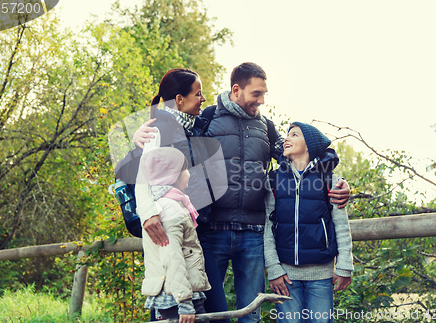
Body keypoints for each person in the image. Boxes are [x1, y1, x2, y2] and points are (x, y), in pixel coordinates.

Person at [133, 62, 351, 323]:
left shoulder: (266, 128)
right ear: (237, 90)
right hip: (212, 231)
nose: (261, 101)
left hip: (254, 233)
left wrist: (333, 176)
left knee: (251, 314)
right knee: (213, 314)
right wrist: (140, 138)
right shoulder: (206, 119)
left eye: (263, 94)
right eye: (256, 94)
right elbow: (162, 150)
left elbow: (305, 152)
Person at [114, 68, 229, 323]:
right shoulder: (159, 130)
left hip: (194, 229)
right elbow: (143, 173)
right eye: (198, 94)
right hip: (165, 229)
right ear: (179, 99)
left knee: (208, 312)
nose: (203, 99)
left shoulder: (193, 127)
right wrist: (148, 214)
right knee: (172, 310)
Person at [264, 122, 353, 323]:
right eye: (287, 134)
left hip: (321, 276)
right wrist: (274, 269)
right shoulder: (274, 181)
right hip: (286, 277)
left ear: (310, 145)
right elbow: (268, 229)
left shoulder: (330, 180)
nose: (286, 138)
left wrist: (345, 267)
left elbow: (341, 225)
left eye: (294, 134)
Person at [139, 147, 211, 323]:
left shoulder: (162, 205)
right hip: (177, 297)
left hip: (175, 293)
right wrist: (184, 302)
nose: (189, 174)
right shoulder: (169, 207)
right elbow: (172, 256)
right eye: (185, 169)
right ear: (173, 176)